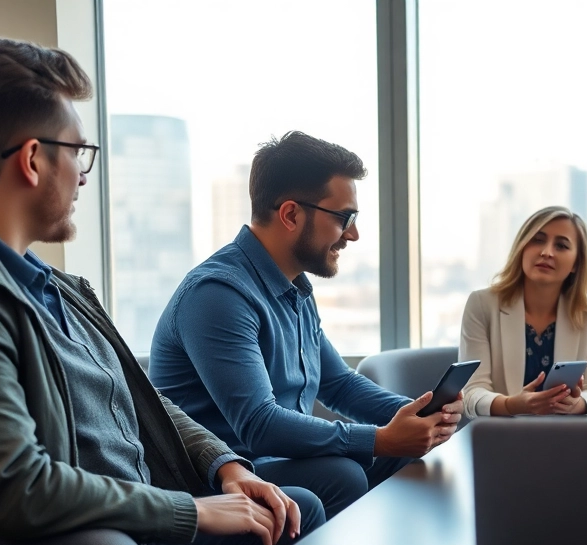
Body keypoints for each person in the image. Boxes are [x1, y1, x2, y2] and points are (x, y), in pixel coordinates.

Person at [0, 36, 323, 545]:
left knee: (296, 512)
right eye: (79, 154)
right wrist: (189, 512)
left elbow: (142, 395)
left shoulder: (54, 285)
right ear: (33, 160)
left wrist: (227, 468)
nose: (84, 178)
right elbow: (16, 488)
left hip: (135, 530)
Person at [151, 132, 462, 518]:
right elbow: (259, 425)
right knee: (343, 474)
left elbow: (339, 384)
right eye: (344, 218)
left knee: (404, 457)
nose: (353, 234)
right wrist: (381, 438)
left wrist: (420, 414)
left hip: (277, 460)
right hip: (225, 474)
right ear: (291, 214)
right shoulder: (217, 295)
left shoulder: (295, 287)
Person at [459, 205, 587, 417]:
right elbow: (471, 392)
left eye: (561, 246)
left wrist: (577, 404)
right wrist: (511, 405)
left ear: (576, 263)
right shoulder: (482, 304)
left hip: (566, 437)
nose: (546, 252)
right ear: (522, 247)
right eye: (538, 240)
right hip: (500, 437)